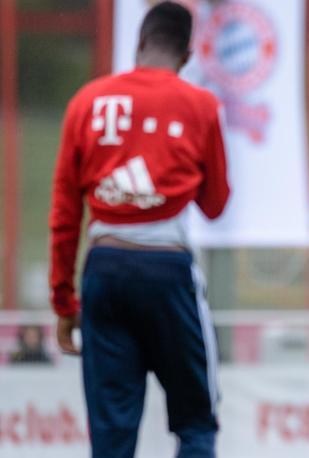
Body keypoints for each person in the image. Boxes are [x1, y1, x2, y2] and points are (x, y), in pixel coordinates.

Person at [48, 3, 229, 457]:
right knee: (196, 421)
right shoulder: (200, 104)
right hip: (168, 270)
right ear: (186, 56)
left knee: (111, 436)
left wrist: (64, 301)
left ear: (139, 44)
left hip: (104, 269)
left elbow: (65, 214)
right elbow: (215, 204)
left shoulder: (87, 102)